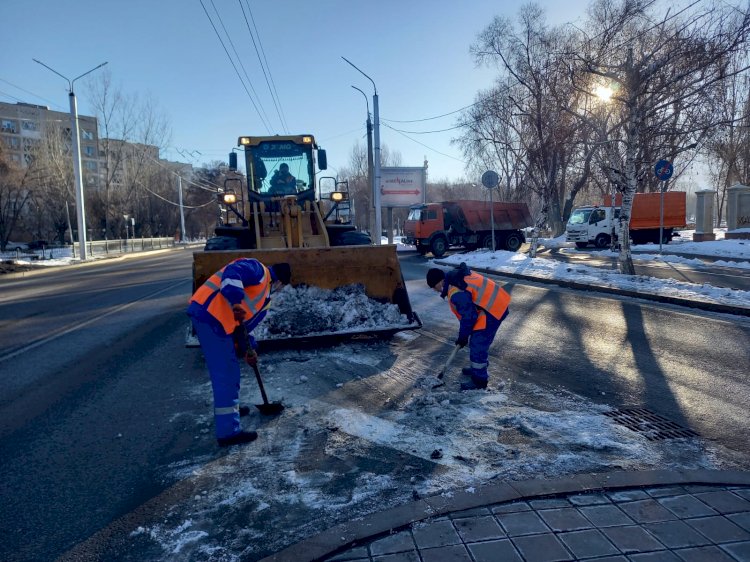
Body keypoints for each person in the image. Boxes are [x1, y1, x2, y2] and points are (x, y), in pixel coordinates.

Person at [187, 258, 292, 446]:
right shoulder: (257, 269)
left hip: (219, 323)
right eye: (281, 286)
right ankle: (228, 433)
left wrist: (249, 349)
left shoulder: (264, 299)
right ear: (279, 281)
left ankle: (230, 410)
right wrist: (235, 300)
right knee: (226, 374)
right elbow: (233, 273)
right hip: (210, 316)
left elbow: (243, 328)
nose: (279, 289)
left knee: (229, 373)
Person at [426, 262, 510, 391]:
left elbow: (469, 317)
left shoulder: (455, 292)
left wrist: (463, 337)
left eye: (434, 286)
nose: (434, 289)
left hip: (492, 310)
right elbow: (468, 315)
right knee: (477, 340)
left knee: (478, 344)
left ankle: (479, 381)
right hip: (494, 304)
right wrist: (465, 333)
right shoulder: (455, 279)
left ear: (441, 281)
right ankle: (477, 368)